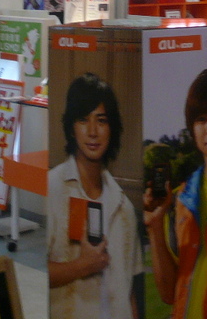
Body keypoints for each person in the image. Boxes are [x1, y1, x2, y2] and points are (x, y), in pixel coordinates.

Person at [143, 68, 207, 319]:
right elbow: (169, 294)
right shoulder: (179, 199)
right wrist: (154, 227)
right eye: (201, 119)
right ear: (192, 128)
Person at [47, 73, 142, 319]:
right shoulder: (52, 188)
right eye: (83, 120)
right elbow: (33, 272)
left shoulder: (124, 206)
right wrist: (81, 266)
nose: (92, 131)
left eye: (101, 121)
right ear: (71, 127)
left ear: (112, 128)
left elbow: (129, 289)